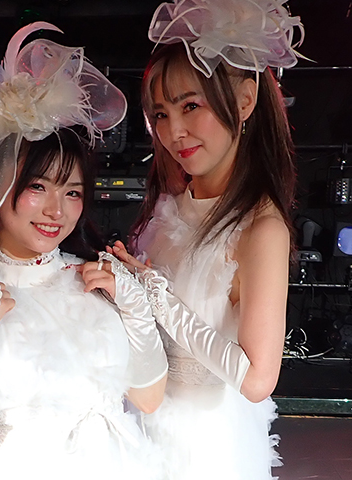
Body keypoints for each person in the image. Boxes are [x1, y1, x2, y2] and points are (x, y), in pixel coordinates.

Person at [0, 23, 168, 479]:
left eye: (72, 192)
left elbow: (148, 398)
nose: (56, 211)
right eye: (38, 186)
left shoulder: (95, 278)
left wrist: (135, 307)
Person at [112, 1, 303, 478]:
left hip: (207, 449)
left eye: (190, 106)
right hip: (140, 432)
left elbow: (257, 379)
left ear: (244, 100)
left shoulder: (260, 228)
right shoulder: (166, 209)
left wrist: (157, 296)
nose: (173, 131)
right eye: (160, 113)